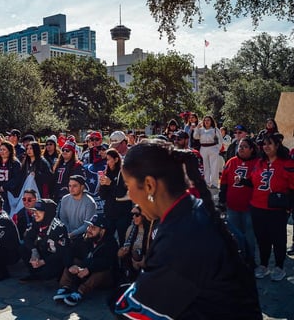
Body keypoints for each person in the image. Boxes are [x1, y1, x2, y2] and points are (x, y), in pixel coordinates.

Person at [114, 139, 261, 319]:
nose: (130, 197)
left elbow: (135, 312)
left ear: (150, 185)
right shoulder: (192, 213)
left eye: (128, 186)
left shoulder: (182, 237)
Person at [248, 133, 294, 281]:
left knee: (278, 239)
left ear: (277, 145)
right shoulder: (259, 162)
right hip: (257, 207)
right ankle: (263, 265)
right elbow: (253, 181)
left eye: (270, 144)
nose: (266, 146)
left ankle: (279, 267)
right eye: (264, 144)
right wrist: (242, 181)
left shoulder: (287, 164)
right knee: (262, 239)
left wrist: (290, 207)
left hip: (277, 210)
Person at [52, 214, 117, 306]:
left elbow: (107, 262)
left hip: (103, 277)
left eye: (93, 228)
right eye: (89, 226)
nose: (89, 230)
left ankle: (79, 293)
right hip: (85, 271)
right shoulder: (84, 238)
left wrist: (89, 269)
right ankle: (65, 287)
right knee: (73, 261)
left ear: (102, 231)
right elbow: (68, 251)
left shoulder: (111, 243)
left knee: (103, 272)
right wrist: (71, 265)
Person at [219, 137, 259, 267]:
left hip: (250, 206)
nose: (241, 149)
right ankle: (236, 260)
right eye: (240, 146)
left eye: (245, 146)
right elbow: (224, 183)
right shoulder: (231, 162)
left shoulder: (258, 163)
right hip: (232, 205)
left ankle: (250, 260)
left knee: (249, 236)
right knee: (234, 235)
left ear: (252, 149)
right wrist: (222, 200)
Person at [20, 198, 69, 282]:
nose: (35, 214)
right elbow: (28, 237)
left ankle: (57, 276)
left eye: (38, 211)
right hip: (44, 251)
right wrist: (34, 251)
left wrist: (43, 261)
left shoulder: (59, 228)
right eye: (34, 211)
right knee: (23, 247)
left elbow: (62, 253)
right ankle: (34, 274)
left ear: (48, 213)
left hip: (55, 258)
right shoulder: (37, 221)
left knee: (47, 274)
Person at [97, 149, 131, 245]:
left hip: (122, 214)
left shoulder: (123, 173)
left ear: (116, 160)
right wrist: (103, 184)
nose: (107, 162)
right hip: (110, 213)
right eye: (106, 160)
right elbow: (102, 196)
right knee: (107, 241)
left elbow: (120, 193)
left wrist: (110, 183)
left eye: (109, 159)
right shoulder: (107, 173)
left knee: (123, 241)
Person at [57, 175, 96, 239]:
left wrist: (72, 234)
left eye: (75, 186)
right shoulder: (65, 199)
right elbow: (63, 219)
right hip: (67, 233)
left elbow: (87, 225)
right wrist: (67, 232)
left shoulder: (90, 202)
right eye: (69, 186)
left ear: (82, 187)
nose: (71, 189)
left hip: (84, 236)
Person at [194, 115, 223, 188]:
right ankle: (206, 182)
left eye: (208, 120)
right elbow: (195, 137)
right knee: (205, 166)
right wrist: (197, 128)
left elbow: (220, 140)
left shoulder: (215, 129)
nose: (206, 122)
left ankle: (214, 183)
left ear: (211, 121)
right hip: (203, 148)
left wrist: (217, 149)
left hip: (213, 148)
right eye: (205, 120)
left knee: (214, 166)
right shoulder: (201, 130)